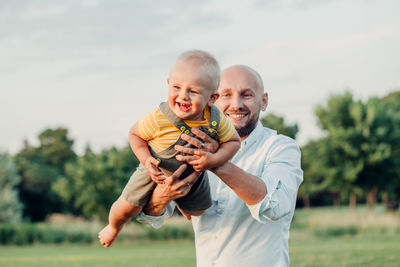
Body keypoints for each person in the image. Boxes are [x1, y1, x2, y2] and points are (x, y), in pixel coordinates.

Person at [137, 65, 303, 267]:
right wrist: (164, 194)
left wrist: (217, 163)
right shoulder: (190, 146)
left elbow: (274, 207)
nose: (236, 105)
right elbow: (150, 216)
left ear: (264, 101)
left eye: (247, 95)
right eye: (226, 95)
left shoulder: (281, 147)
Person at [98, 50, 241, 247]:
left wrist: (214, 160)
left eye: (193, 91)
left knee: (198, 211)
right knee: (127, 208)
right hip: (154, 170)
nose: (183, 96)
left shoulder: (216, 120)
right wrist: (145, 160)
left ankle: (182, 203)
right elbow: (135, 134)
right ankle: (113, 227)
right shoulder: (160, 118)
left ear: (211, 98)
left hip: (194, 172)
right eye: (176, 87)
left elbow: (233, 141)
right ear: (168, 84)